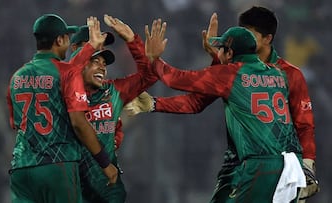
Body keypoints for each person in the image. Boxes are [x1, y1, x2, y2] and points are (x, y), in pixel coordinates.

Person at [127, 7, 319, 201]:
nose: (246, 36)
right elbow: (197, 102)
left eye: (250, 33)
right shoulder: (279, 74)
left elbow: (304, 123)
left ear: (267, 38)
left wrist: (153, 59)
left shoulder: (251, 73)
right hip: (246, 163)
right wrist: (154, 103)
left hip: (259, 162)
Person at [6, 14, 118, 203]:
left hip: (22, 168)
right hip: (57, 167)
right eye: (67, 36)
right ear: (60, 40)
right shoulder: (67, 74)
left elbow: (16, 123)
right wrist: (106, 164)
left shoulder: (17, 77)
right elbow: (79, 123)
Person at [69, 15, 159, 202]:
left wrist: (132, 40)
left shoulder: (113, 91)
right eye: (95, 58)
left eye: (104, 60)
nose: (102, 66)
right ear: (77, 50)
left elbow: (149, 76)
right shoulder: (62, 90)